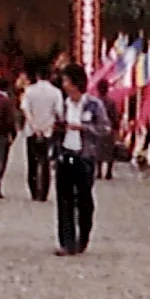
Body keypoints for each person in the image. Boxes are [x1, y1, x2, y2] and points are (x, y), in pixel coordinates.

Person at [53, 64, 111, 255]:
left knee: (84, 199)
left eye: (66, 80)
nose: (63, 84)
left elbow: (105, 128)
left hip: (84, 157)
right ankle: (66, 242)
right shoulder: (63, 104)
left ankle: (83, 237)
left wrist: (83, 128)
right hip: (65, 155)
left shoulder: (94, 105)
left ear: (76, 83)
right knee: (64, 200)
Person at [19, 67, 65, 204]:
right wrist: (48, 126)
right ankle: (43, 192)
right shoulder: (56, 92)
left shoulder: (30, 90)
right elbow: (59, 113)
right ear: (50, 77)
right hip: (48, 130)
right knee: (45, 161)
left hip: (32, 130)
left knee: (31, 162)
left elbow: (25, 109)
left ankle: (34, 191)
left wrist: (33, 125)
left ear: (37, 76)